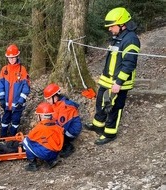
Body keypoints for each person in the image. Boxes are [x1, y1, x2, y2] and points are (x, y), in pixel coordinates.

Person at [84, 7, 140, 145]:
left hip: (119, 82)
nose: (109, 29)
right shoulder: (118, 37)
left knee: (115, 107)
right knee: (100, 101)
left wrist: (119, 82)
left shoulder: (131, 40)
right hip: (108, 79)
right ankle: (98, 125)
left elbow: (129, 64)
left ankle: (110, 133)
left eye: (111, 26)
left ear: (122, 25)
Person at [0, 44, 30, 137]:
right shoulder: (4, 70)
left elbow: (26, 86)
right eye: (9, 58)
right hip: (7, 103)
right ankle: (3, 135)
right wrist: (2, 98)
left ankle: (12, 136)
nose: (11, 59)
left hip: (18, 103)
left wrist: (21, 99)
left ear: (17, 56)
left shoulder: (22, 70)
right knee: (5, 120)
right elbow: (0, 85)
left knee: (15, 120)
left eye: (13, 57)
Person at [43, 83, 82, 158]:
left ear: (55, 96)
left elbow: (61, 125)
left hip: (71, 130)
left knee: (54, 133)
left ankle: (67, 146)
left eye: (49, 99)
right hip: (65, 126)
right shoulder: (56, 104)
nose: (47, 101)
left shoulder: (65, 106)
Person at [22, 102, 64, 171]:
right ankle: (51, 161)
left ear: (41, 116)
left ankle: (32, 165)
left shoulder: (40, 128)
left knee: (25, 142)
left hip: (46, 154)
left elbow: (29, 138)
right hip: (55, 153)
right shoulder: (57, 126)